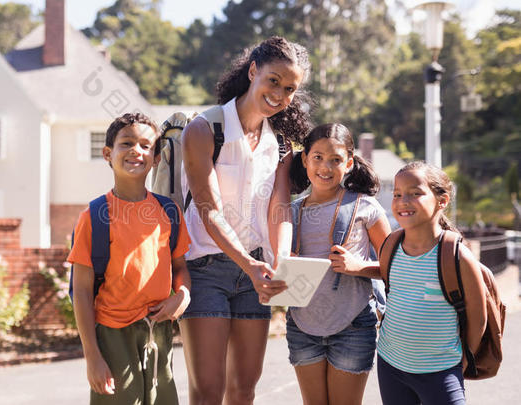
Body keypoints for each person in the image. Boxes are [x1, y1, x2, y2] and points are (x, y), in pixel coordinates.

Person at [179, 36, 312, 405]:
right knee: (208, 391)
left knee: (244, 390)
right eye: (273, 80)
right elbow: (208, 210)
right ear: (253, 71)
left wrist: (279, 260)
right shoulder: (205, 128)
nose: (280, 95)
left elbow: (280, 207)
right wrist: (249, 264)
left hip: (256, 276)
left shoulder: (280, 142)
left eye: (289, 89)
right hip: (205, 270)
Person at [67, 112, 192, 405]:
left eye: (146, 146)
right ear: (108, 154)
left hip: (158, 331)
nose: (137, 151)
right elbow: (81, 292)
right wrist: (92, 357)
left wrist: (183, 294)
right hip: (113, 335)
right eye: (127, 143)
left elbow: (180, 268)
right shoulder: (94, 216)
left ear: (157, 158)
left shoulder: (170, 212)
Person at [284, 123, 391, 405]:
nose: (325, 167)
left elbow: (394, 265)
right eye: (317, 157)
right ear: (305, 159)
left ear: (349, 163)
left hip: (353, 326)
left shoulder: (365, 207)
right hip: (302, 326)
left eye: (336, 160)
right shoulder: (290, 212)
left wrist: (360, 267)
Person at [377, 161, 487, 405]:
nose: (403, 200)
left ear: (442, 201)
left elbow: (479, 317)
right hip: (390, 365)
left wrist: (464, 359)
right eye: (397, 194)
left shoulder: (457, 255)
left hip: (442, 371)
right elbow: (391, 282)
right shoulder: (391, 246)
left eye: (415, 193)